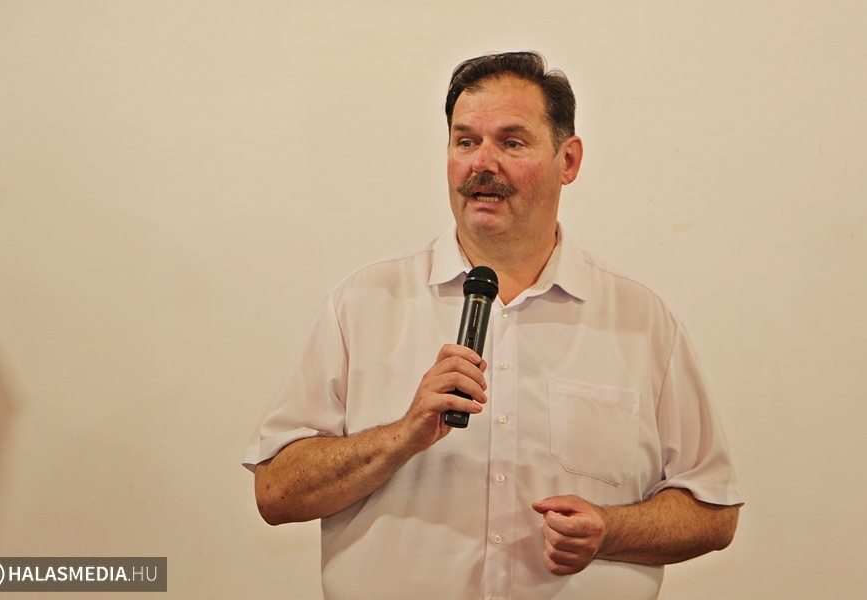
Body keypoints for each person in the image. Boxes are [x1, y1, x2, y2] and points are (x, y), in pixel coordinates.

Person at [244, 51, 742, 600]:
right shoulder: (362, 303)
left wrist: (611, 529)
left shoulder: (641, 322)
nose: (482, 163)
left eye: (512, 142)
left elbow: (712, 512)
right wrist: (400, 437)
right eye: (465, 141)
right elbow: (275, 491)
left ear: (568, 160)